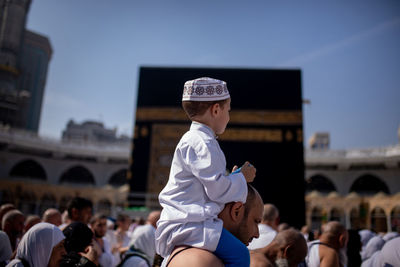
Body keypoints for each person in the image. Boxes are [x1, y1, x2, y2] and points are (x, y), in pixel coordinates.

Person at [155, 77, 257, 267]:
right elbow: (217, 190)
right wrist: (242, 178)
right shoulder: (204, 142)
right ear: (216, 110)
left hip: (185, 221)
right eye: (228, 110)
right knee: (241, 255)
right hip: (192, 224)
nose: (229, 116)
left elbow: (209, 184)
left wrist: (234, 178)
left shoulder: (194, 139)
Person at [166, 184, 263, 267]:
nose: (257, 234)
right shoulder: (203, 261)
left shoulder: (192, 255)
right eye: (256, 221)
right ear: (236, 211)